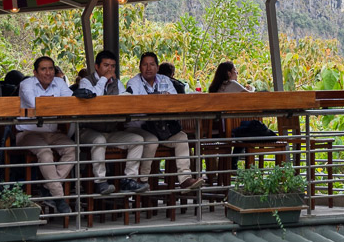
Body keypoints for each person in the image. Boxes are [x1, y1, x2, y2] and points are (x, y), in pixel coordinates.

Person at [124, 52, 203, 190]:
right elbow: (137, 105)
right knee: (152, 141)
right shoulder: (134, 82)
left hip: (162, 127)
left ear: (157, 67)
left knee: (182, 137)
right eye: (145, 64)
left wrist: (163, 101)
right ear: (140, 67)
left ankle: (185, 179)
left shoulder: (165, 80)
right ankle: (143, 180)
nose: (148, 68)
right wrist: (158, 100)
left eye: (152, 64)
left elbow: (173, 102)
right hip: (140, 127)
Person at [75, 49, 146, 196]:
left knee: (137, 140)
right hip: (87, 131)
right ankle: (100, 182)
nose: (110, 69)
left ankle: (129, 179)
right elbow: (93, 101)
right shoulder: (86, 81)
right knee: (99, 140)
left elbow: (122, 101)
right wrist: (103, 80)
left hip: (111, 132)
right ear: (97, 66)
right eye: (106, 65)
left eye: (113, 66)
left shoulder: (117, 83)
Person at [17, 57, 78, 213]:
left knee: (72, 149)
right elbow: (36, 105)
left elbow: (70, 102)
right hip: (28, 133)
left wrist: (55, 102)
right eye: (43, 69)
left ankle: (48, 187)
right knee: (45, 153)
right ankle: (58, 197)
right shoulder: (26, 84)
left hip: (52, 133)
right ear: (35, 72)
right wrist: (56, 102)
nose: (48, 72)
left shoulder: (59, 83)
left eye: (51, 68)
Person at [209, 61, 278, 157]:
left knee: (247, 130)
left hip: (219, 125)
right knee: (252, 127)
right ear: (229, 73)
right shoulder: (231, 84)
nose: (237, 73)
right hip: (230, 125)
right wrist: (252, 89)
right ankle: (236, 161)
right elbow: (250, 97)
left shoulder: (217, 87)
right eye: (235, 71)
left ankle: (234, 161)